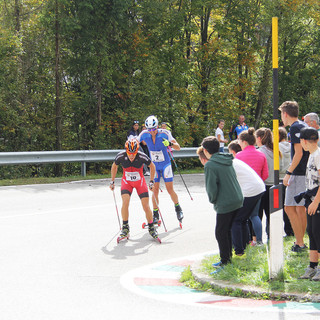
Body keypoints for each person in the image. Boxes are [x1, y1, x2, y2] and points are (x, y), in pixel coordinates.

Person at [201, 136, 243, 270]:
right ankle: (227, 258)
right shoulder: (227, 159)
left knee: (220, 232)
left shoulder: (210, 165)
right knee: (226, 230)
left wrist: (213, 200)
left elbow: (211, 187)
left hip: (225, 202)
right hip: (237, 198)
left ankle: (225, 261)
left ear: (206, 151)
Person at [138, 115, 183, 224]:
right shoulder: (144, 134)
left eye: (153, 129)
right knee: (155, 190)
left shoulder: (165, 133)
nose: (152, 132)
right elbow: (133, 143)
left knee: (169, 189)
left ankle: (178, 208)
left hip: (165, 165)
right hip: (154, 166)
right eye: (149, 130)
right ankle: (156, 214)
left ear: (157, 127)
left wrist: (170, 144)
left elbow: (178, 147)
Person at [109, 139, 158, 240]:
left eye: (134, 153)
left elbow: (152, 166)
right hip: (127, 182)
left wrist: (151, 181)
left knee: (146, 206)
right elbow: (114, 166)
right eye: (129, 153)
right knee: (125, 202)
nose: (131, 155)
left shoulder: (141, 156)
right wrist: (112, 181)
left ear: (137, 151)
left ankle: (151, 227)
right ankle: (125, 227)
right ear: (126, 150)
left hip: (140, 182)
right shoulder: (121, 156)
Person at [279, 101, 309, 252]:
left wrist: (288, 173)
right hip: (305, 172)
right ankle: (300, 242)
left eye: (281, 114)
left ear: (285, 113)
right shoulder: (303, 125)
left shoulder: (296, 127)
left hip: (299, 173)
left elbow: (299, 153)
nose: (281, 118)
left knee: (291, 208)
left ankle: (300, 243)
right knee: (297, 208)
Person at [228, 140, 265, 255]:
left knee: (235, 220)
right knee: (245, 218)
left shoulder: (233, 161)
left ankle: (239, 251)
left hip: (251, 190)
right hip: (259, 187)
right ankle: (247, 245)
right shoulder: (235, 161)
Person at [236, 128, 268, 246]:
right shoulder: (261, 154)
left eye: (239, 141)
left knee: (241, 217)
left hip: (243, 191)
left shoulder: (239, 155)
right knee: (255, 215)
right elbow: (265, 175)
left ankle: (247, 240)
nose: (238, 143)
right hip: (258, 189)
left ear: (244, 142)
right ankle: (259, 240)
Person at [296, 127, 320, 280]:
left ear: (304, 141)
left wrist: (315, 202)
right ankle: (312, 266)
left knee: (318, 232)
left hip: (316, 201)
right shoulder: (312, 155)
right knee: (311, 232)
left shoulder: (318, 155)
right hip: (311, 200)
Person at [255, 127, 278, 238]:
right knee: (272, 214)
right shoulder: (276, 150)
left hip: (263, 185)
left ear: (259, 138)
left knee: (258, 214)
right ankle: (272, 236)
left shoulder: (259, 152)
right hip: (275, 184)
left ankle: (257, 238)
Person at [279, 126, 294, 237]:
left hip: (280, 178)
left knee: (284, 207)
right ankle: (293, 229)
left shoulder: (276, 147)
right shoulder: (291, 146)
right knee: (292, 205)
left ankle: (287, 230)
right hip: (291, 177)